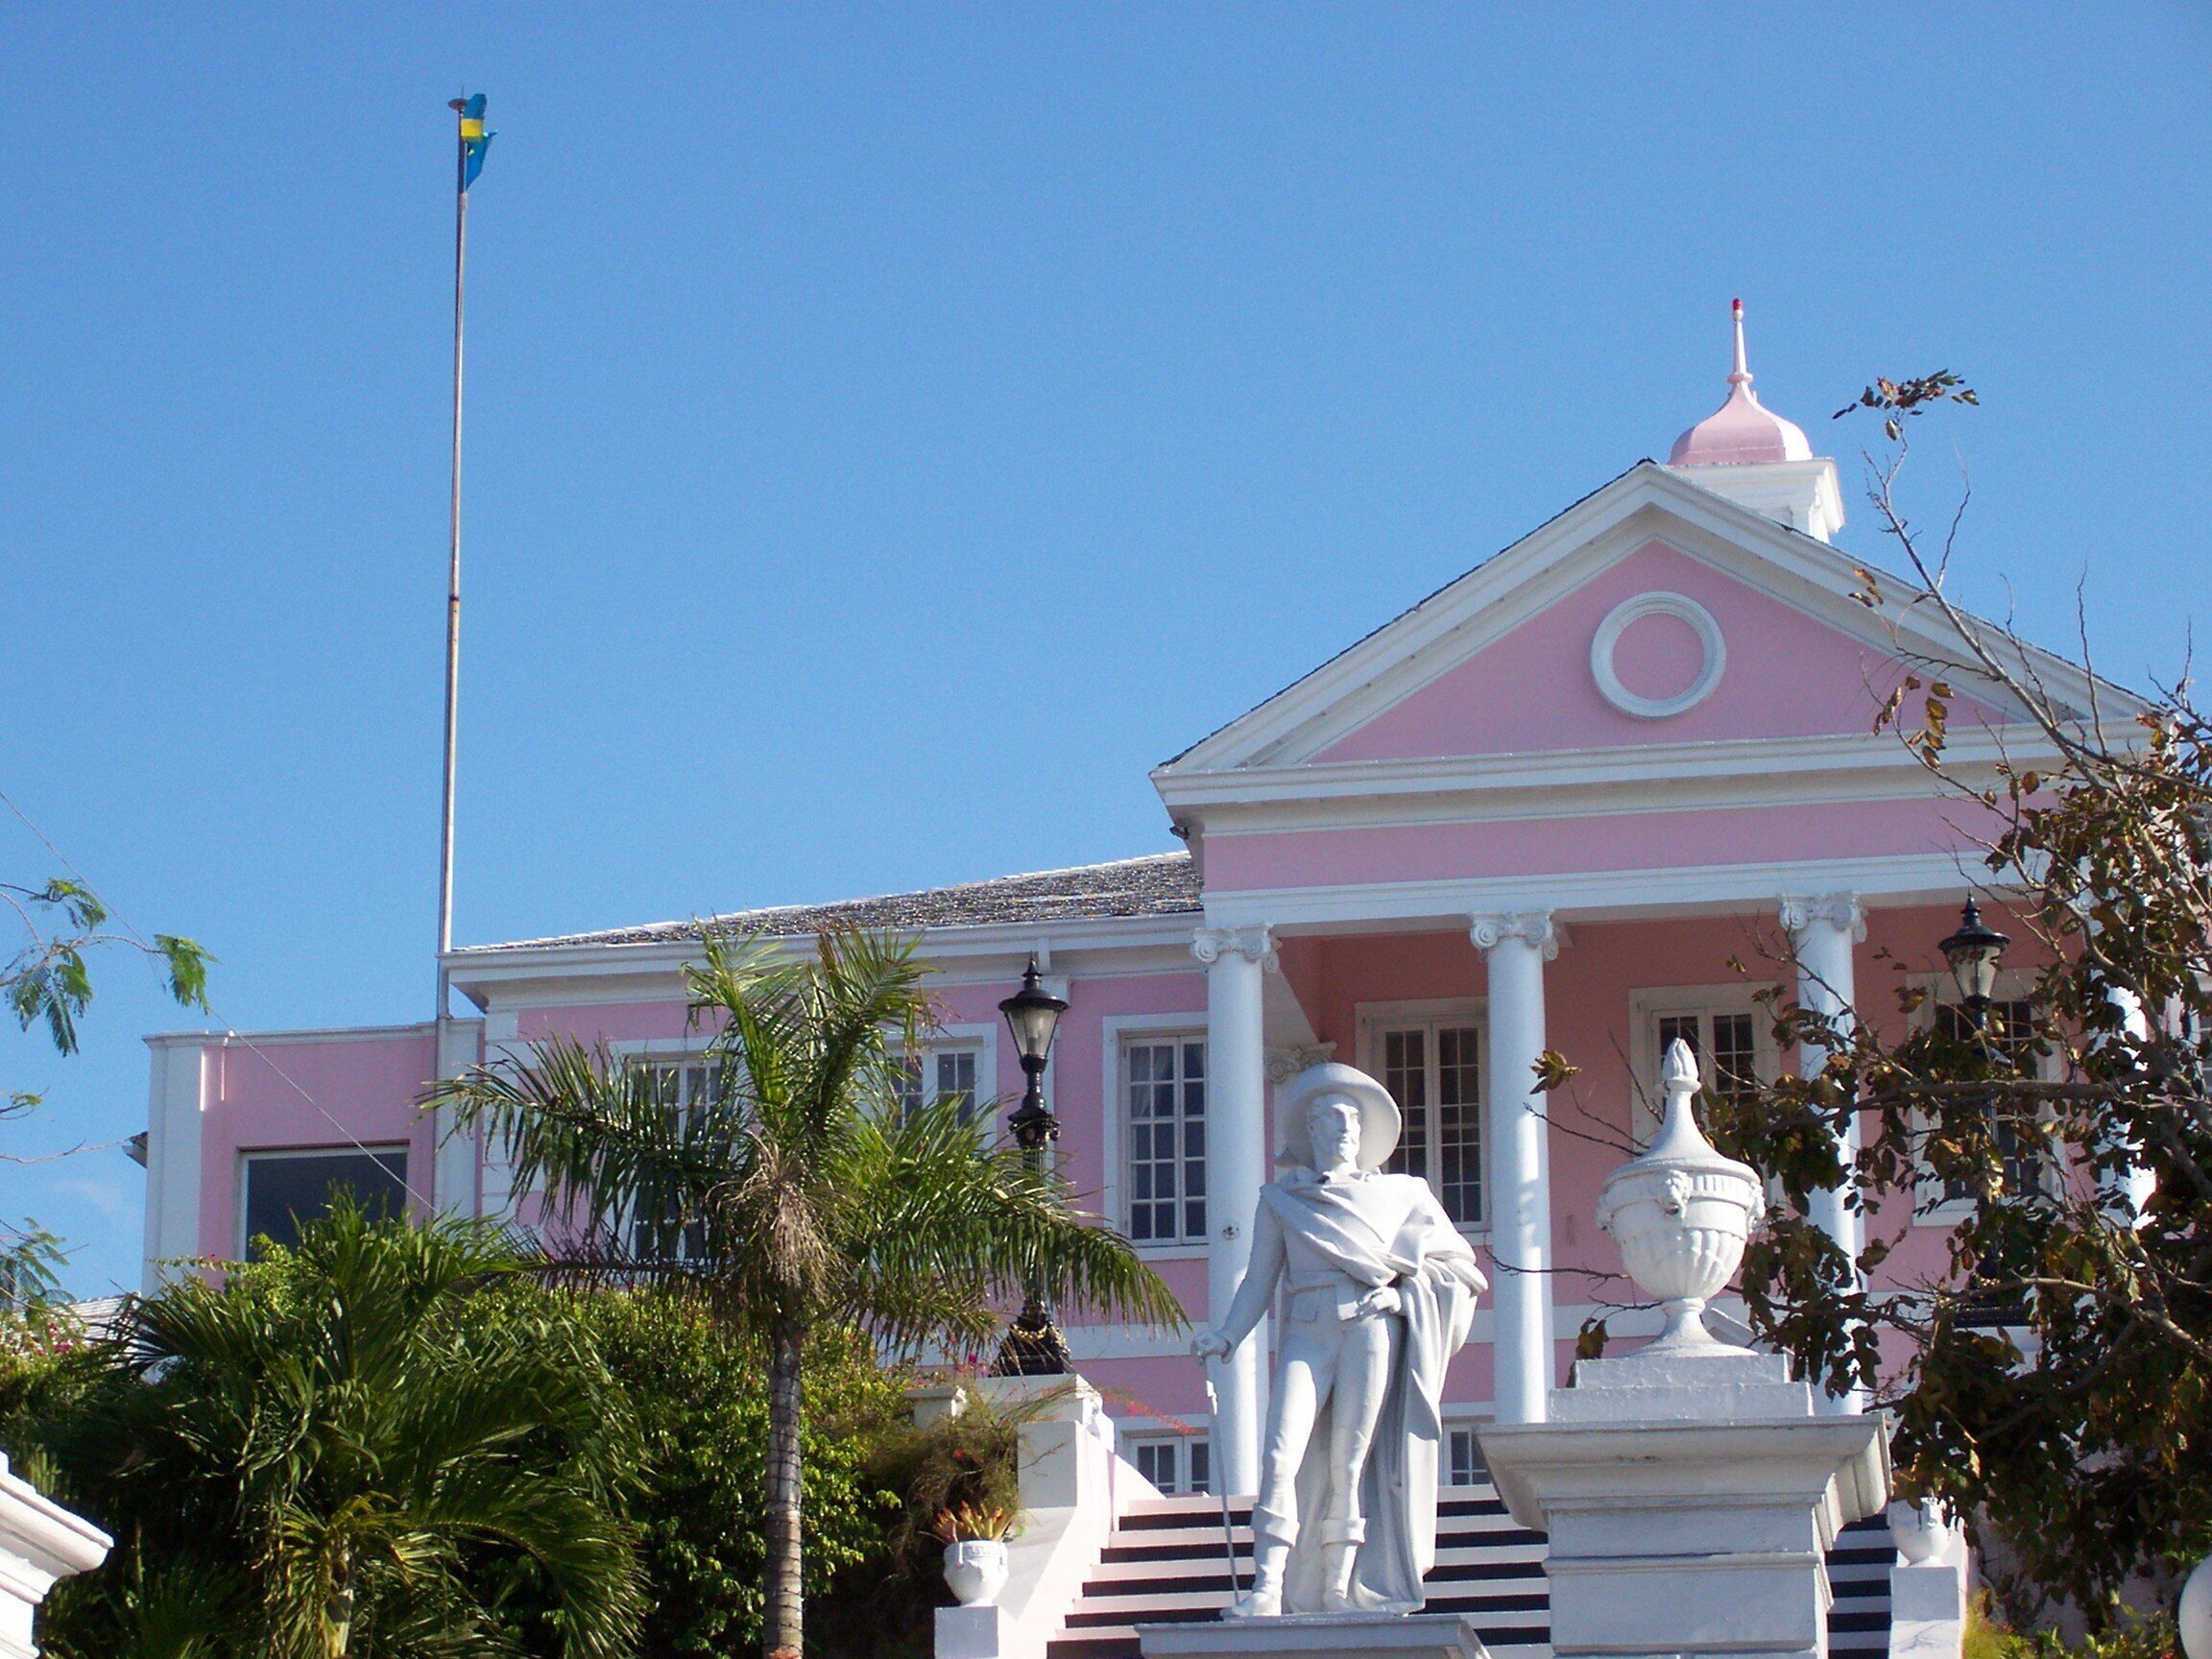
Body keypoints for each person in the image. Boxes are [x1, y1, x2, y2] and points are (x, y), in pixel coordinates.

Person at [1192, 1062, 1486, 1617]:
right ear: (1310, 1130)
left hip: (1370, 1329)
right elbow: (1258, 1278)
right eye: (1332, 1116)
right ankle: (1268, 1588)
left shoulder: (1405, 1195)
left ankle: (1336, 1586)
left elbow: (1459, 1271)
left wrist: (1402, 1298)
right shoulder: (1282, 1200)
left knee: (1348, 1463)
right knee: (1281, 1453)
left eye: (1353, 1117)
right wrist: (1227, 1336)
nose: (1345, 1125)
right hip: (1307, 1327)